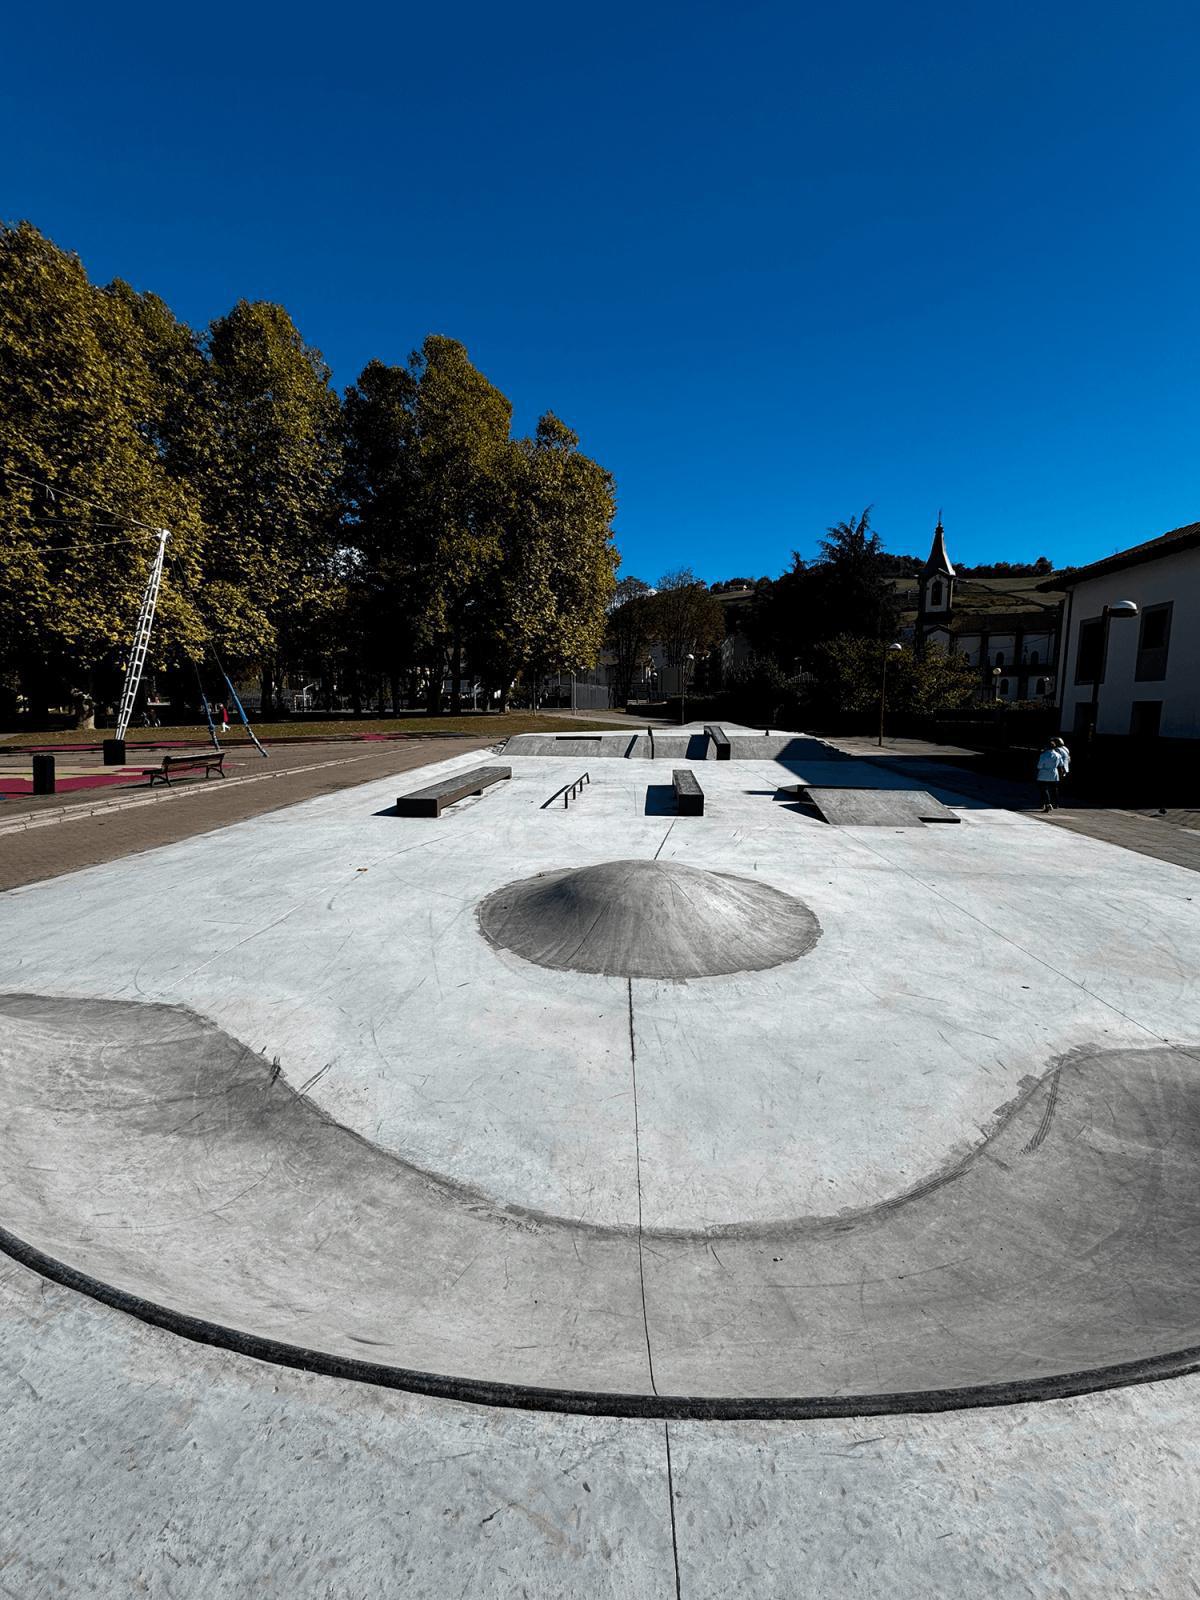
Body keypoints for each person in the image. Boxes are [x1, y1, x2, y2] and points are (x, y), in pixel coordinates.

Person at [1036, 741, 1062, 812]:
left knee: (1044, 789)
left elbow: (1039, 766)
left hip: (1044, 774)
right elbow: (1061, 764)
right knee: (1053, 789)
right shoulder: (1058, 755)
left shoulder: (1043, 755)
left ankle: (1047, 803)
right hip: (1054, 774)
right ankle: (1055, 803)